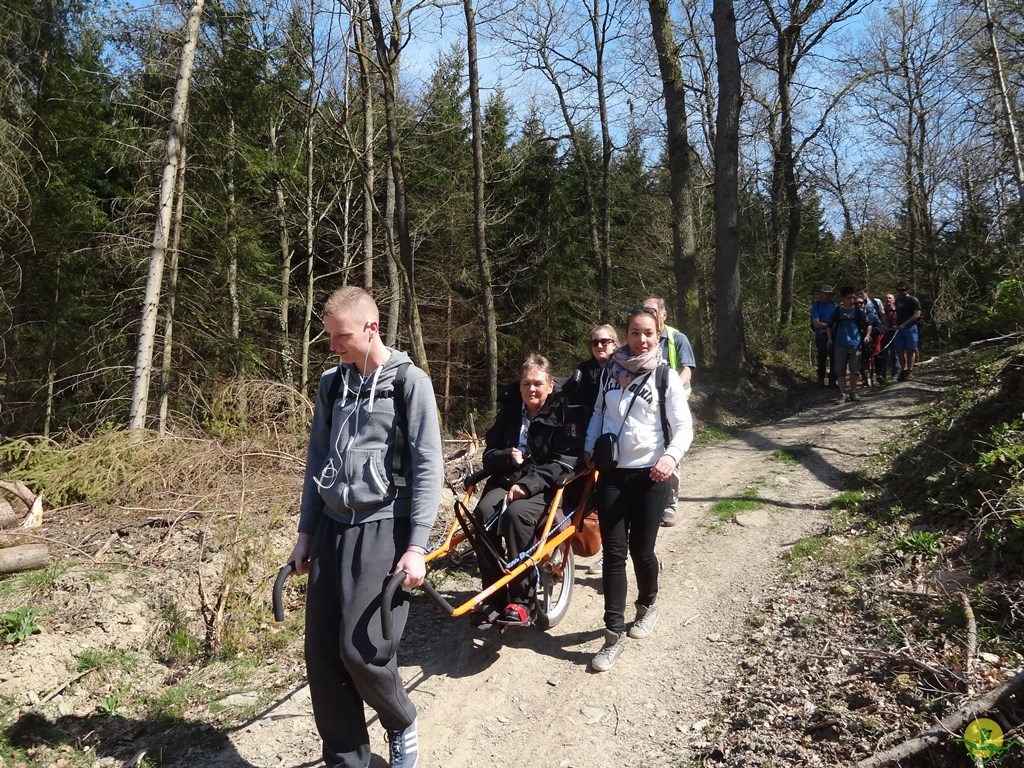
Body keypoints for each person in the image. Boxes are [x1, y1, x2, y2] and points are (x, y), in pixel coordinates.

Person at [289, 286, 443, 768]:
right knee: (322, 655)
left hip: (383, 527)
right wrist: (305, 532)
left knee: (363, 651)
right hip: (333, 526)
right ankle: (348, 762)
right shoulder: (332, 384)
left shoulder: (408, 382)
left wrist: (416, 546)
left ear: (371, 328)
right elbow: (318, 458)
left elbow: (427, 466)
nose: (333, 345)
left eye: (341, 336)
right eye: (330, 336)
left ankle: (399, 719)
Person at [583, 306, 694, 672]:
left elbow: (683, 428)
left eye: (647, 333)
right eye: (634, 332)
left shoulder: (665, 377)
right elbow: (599, 413)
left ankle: (648, 603)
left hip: (651, 476)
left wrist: (670, 458)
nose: (641, 339)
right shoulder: (610, 373)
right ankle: (613, 634)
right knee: (614, 554)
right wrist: (589, 447)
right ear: (626, 335)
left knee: (641, 551)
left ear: (657, 334)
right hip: (613, 474)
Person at [472, 354, 582, 624]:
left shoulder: (563, 413)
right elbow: (489, 454)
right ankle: (493, 596)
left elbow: (565, 461)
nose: (531, 389)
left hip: (543, 485)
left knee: (516, 516)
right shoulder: (509, 413)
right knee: (483, 514)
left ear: (550, 385)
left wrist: (528, 483)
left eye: (537, 383)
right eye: (525, 384)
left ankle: (522, 601)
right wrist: (506, 457)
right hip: (507, 479)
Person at [640, 296, 695, 528]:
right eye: (644, 310)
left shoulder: (676, 338)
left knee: (672, 454)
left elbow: (687, 370)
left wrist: (668, 391)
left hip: (673, 406)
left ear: (664, 314)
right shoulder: (641, 337)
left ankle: (670, 506)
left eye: (652, 311)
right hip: (646, 407)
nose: (649, 314)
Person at [828, 286, 871, 403]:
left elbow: (868, 324)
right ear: (843, 298)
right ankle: (842, 394)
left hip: (855, 344)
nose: (852, 300)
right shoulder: (837, 311)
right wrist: (830, 339)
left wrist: (867, 336)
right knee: (840, 371)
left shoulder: (858, 311)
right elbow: (830, 326)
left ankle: (853, 392)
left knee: (855, 370)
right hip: (839, 344)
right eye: (849, 298)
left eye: (853, 297)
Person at [893, 280, 923, 381]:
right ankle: (903, 370)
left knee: (910, 349)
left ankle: (909, 370)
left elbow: (917, 314)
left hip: (910, 327)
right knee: (900, 350)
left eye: (903, 289)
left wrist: (905, 324)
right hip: (899, 328)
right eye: (899, 290)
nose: (901, 291)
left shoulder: (913, 300)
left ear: (907, 289)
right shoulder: (898, 300)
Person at [810, 285, 837, 387]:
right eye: (825, 293)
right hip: (821, 333)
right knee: (822, 355)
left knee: (834, 356)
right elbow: (816, 323)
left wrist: (832, 326)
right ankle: (821, 378)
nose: (827, 295)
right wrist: (829, 325)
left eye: (829, 294)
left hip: (834, 333)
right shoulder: (816, 306)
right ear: (821, 294)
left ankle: (832, 380)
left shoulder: (834, 305)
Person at [858, 288, 884, 387]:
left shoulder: (875, 302)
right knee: (863, 354)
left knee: (877, 352)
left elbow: (882, 315)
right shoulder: (857, 308)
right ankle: (865, 376)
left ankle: (879, 374)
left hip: (877, 330)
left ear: (866, 293)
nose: (860, 296)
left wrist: (885, 326)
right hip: (864, 332)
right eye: (858, 294)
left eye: (862, 293)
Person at [877, 292, 902, 384]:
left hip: (895, 334)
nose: (888, 300)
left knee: (895, 354)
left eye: (890, 298)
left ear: (893, 300)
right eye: (886, 298)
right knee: (883, 354)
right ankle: (882, 375)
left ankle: (895, 374)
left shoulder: (897, 311)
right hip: (885, 335)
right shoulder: (882, 311)